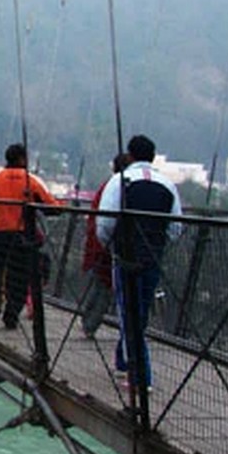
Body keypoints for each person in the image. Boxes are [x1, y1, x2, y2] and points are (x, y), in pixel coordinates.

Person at [96, 135, 183, 389]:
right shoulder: (167, 184)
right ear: (153, 157)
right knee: (140, 312)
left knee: (128, 313)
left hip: (125, 258)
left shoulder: (119, 181)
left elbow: (105, 223)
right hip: (152, 258)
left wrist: (111, 247)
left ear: (130, 155)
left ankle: (140, 377)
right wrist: (158, 245)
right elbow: (176, 227)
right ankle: (124, 362)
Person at [0, 143, 61, 329]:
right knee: (19, 277)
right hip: (22, 237)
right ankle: (11, 315)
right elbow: (52, 207)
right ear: (22, 159)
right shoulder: (31, 181)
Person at [80, 153, 131, 339]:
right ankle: (90, 324)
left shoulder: (108, 186)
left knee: (99, 283)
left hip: (98, 241)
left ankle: (87, 319)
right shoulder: (118, 187)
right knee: (106, 286)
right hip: (108, 244)